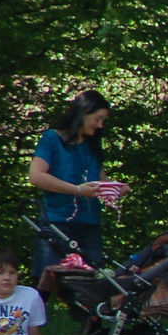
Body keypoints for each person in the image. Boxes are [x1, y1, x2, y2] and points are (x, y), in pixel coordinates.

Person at [26, 89, 127, 278]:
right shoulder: (52, 138)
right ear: (83, 113)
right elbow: (36, 176)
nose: (100, 125)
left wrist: (115, 187)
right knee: (44, 282)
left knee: (93, 284)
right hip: (57, 224)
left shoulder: (92, 144)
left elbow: (100, 178)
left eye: (103, 120)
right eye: (97, 118)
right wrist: (77, 190)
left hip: (90, 226)